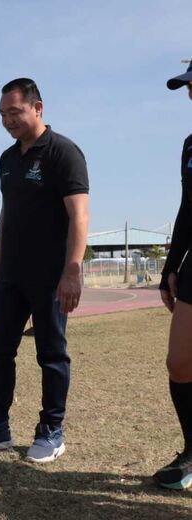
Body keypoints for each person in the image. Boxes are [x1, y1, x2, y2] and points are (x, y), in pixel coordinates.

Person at [0, 78, 89, 463]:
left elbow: (79, 215)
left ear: (37, 108)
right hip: (12, 274)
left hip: (50, 275)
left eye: (14, 112)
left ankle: (51, 431)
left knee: (51, 353)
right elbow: (6, 216)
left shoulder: (63, 152)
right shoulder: (8, 159)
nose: (7, 120)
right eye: (2, 114)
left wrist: (72, 270)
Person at [154, 62, 192, 490]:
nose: (191, 95)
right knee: (180, 362)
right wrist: (171, 267)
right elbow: (188, 208)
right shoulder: (190, 144)